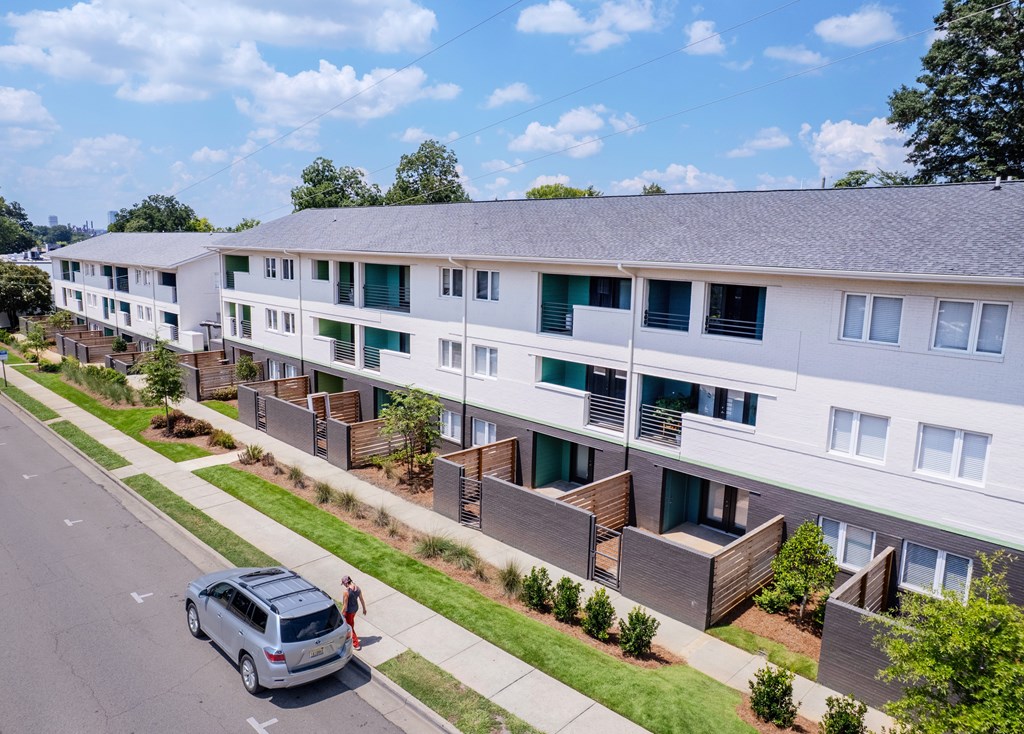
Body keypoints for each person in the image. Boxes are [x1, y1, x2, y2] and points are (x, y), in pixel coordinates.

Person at [340, 575, 366, 651]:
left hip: (349, 612)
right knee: (351, 622)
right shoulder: (358, 588)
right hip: (355, 609)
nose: (343, 585)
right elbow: (361, 599)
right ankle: (349, 636)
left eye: (343, 584)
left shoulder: (346, 592)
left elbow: (345, 606)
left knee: (349, 626)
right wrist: (364, 609)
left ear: (345, 583)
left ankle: (356, 644)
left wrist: (341, 615)